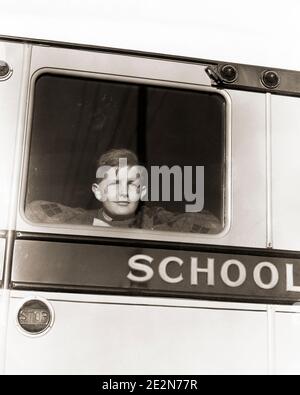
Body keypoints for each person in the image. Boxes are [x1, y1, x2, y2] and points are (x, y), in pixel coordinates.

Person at [25, 148, 222, 234]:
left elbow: (211, 224)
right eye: (114, 184)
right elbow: (35, 210)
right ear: (98, 191)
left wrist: (150, 232)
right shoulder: (83, 218)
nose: (123, 192)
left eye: (131, 185)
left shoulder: (154, 218)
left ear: (142, 192)